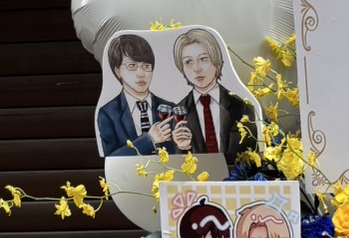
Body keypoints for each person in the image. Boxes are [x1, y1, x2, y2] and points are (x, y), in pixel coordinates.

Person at [170, 28, 256, 159]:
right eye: (188, 62)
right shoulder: (177, 113)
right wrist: (182, 147)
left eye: (203, 59)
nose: (196, 68)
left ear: (216, 61)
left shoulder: (242, 108)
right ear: (182, 68)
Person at [96, 33, 178, 158]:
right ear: (117, 71)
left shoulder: (170, 108)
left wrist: (184, 146)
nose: (141, 73)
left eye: (146, 66)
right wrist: (149, 140)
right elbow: (111, 160)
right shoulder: (108, 113)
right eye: (132, 66)